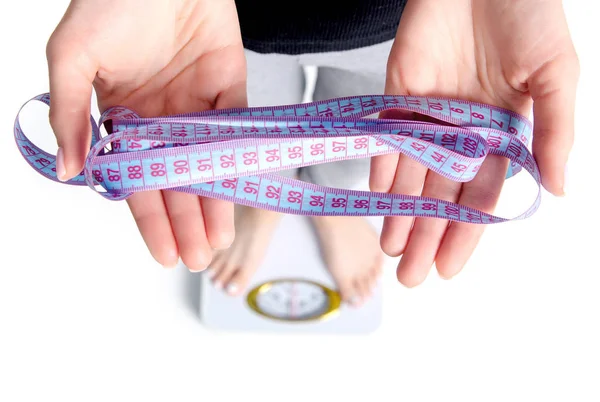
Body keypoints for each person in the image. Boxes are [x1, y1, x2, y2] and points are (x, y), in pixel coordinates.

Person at [46, 0, 579, 305]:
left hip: (417, 23)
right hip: (206, 24)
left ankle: (327, 202)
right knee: (243, 129)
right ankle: (267, 203)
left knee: (370, 146)